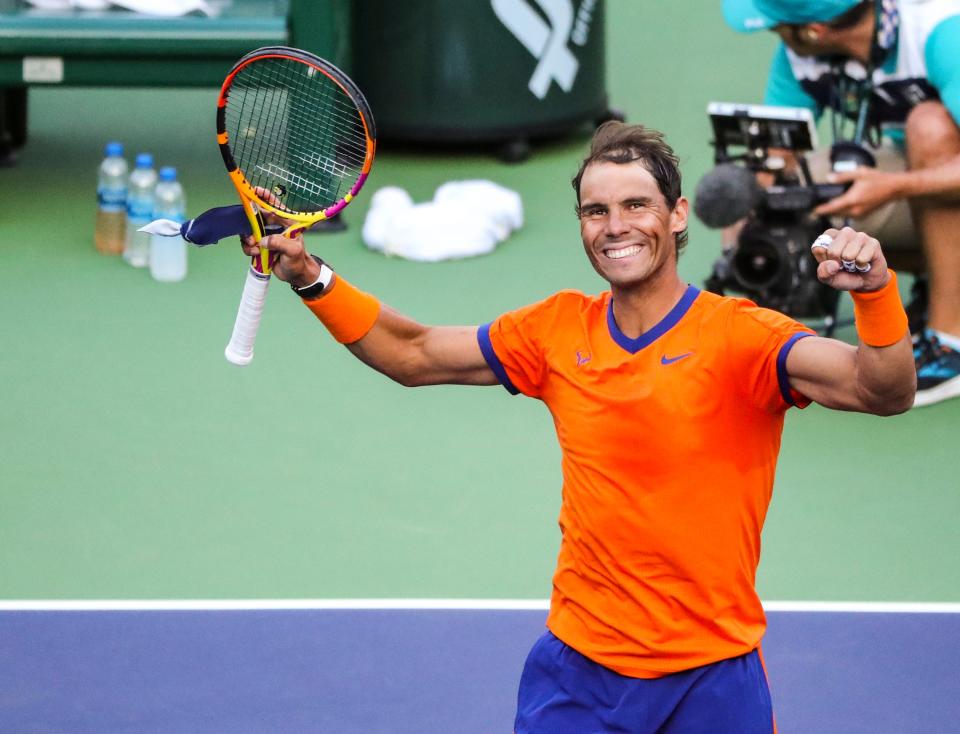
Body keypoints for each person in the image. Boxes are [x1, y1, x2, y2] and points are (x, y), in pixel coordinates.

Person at [243, 122, 915, 733]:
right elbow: (412, 354)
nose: (614, 226)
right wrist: (309, 274)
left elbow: (879, 390)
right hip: (581, 676)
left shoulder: (743, 338)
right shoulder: (556, 331)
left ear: (677, 215)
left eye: (635, 206)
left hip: (713, 679)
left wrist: (877, 296)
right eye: (596, 211)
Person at [721, 0, 960, 407]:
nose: (774, 34)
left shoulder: (942, 33)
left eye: (776, 26)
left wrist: (895, 187)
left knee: (930, 128)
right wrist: (737, 235)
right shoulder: (801, 58)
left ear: (814, 31)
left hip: (935, 169)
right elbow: (770, 158)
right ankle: (939, 284)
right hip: (930, 180)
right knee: (802, 183)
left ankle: (951, 340)